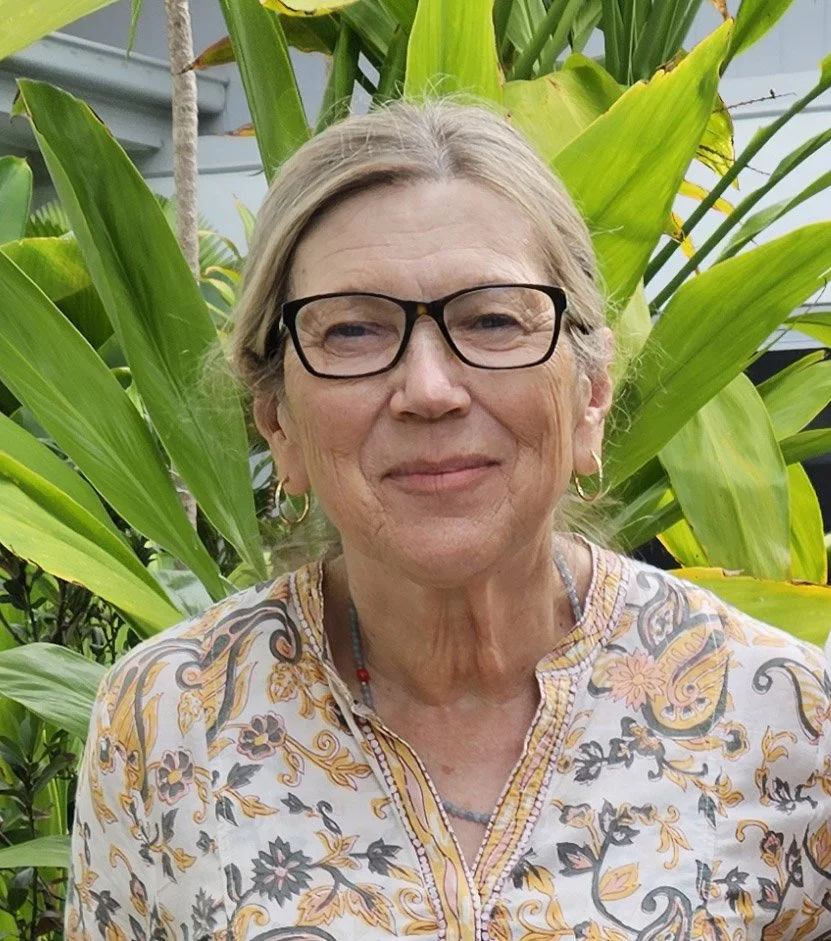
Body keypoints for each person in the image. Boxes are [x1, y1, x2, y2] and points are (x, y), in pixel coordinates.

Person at [65, 101, 831, 941]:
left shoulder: (780, 715)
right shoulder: (168, 717)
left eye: (493, 319)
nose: (428, 390)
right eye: (353, 330)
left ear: (590, 394)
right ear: (277, 420)